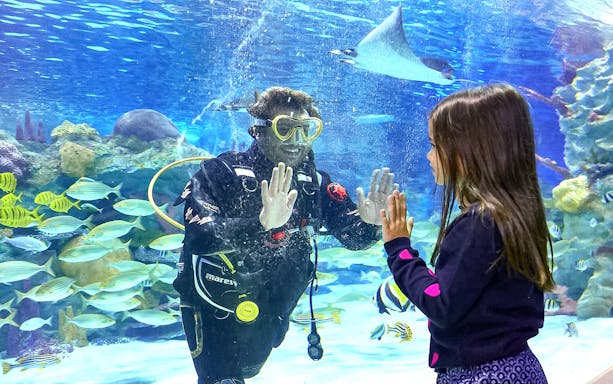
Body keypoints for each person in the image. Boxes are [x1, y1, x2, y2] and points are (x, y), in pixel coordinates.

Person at [173, 86, 396, 384]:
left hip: (272, 313)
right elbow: (199, 237)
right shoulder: (220, 173)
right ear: (259, 130)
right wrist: (261, 223)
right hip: (216, 311)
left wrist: (370, 223)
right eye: (285, 129)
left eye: (306, 130)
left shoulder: (313, 183)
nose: (297, 140)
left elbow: (352, 239)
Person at [380, 83, 554, 383]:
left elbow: (441, 303)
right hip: (520, 368)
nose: (429, 156)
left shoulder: (479, 223)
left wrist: (399, 251)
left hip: (482, 375)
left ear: (466, 152)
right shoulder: (516, 212)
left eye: (434, 145)